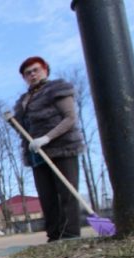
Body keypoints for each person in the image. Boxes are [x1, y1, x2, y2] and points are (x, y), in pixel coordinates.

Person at [13, 56, 85, 242]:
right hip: (37, 154)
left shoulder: (57, 90)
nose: (32, 75)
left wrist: (47, 138)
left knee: (67, 193)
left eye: (35, 70)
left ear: (45, 70)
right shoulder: (24, 100)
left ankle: (70, 234)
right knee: (47, 196)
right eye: (27, 73)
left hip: (61, 149)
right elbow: (25, 127)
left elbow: (69, 118)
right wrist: (13, 122)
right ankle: (54, 236)